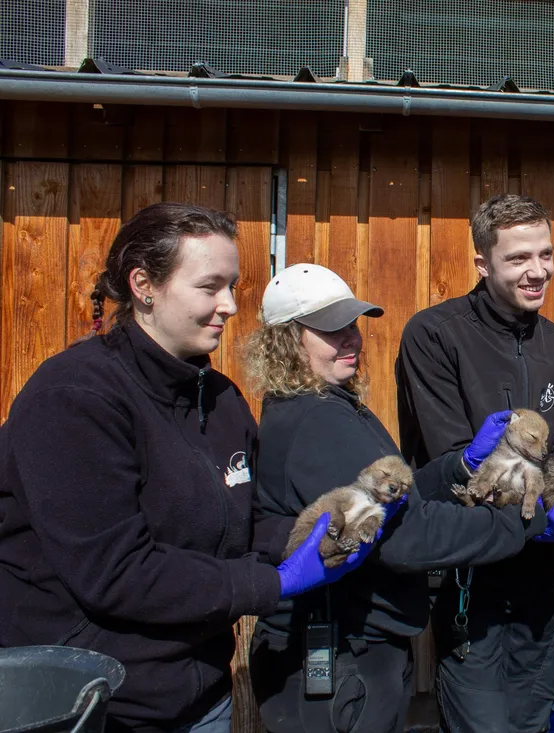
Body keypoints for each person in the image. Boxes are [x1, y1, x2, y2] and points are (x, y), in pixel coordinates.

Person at [0, 203, 359, 733]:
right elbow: (117, 573)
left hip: (198, 695)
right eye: (210, 286)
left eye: (233, 285)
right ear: (144, 284)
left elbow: (236, 522)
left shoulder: (219, 399)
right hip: (95, 703)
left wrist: (316, 534)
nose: (231, 305)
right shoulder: (75, 398)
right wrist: (273, 583)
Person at [246, 263, 554, 733]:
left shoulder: (326, 406)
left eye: (352, 326)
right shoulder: (318, 421)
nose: (351, 340)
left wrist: (458, 468)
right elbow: (408, 537)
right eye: (330, 330)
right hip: (337, 655)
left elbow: (395, 502)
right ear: (285, 340)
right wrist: (527, 520)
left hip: (355, 651)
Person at [396, 194, 554, 733]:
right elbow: (456, 467)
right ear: (482, 263)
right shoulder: (435, 334)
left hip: (539, 578)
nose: (537, 271)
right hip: (471, 577)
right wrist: (540, 509)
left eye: (545, 254)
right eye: (518, 259)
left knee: (533, 721)